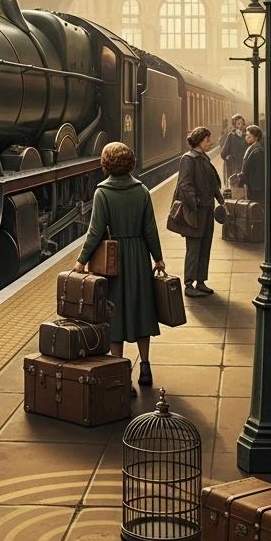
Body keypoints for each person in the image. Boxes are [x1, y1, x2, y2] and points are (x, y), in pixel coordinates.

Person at [75, 142, 165, 395]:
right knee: (141, 308)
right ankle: (145, 367)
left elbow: (95, 232)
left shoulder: (102, 193)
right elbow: (150, 229)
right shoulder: (142, 191)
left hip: (113, 260)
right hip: (138, 255)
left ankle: (121, 373)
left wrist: (81, 260)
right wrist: (158, 258)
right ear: (130, 163)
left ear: (106, 164)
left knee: (114, 313)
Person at [176, 126, 225, 299]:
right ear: (198, 141)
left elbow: (212, 182)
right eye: (207, 140)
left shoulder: (203, 157)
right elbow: (185, 184)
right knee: (194, 248)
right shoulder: (188, 159)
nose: (209, 142)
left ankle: (201, 281)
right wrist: (195, 203)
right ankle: (189, 283)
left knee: (205, 245)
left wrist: (219, 198)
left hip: (207, 210)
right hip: (195, 212)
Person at [240, 124, 265, 205]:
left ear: (256, 137)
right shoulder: (253, 148)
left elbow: (255, 171)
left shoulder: (257, 151)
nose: (246, 137)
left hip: (255, 187)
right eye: (246, 135)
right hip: (252, 186)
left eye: (249, 136)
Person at [220, 114, 248, 184]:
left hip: (244, 164)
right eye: (238, 123)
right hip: (234, 166)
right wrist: (228, 158)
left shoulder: (246, 135)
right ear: (235, 125)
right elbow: (224, 153)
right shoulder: (231, 136)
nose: (241, 125)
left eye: (242, 123)